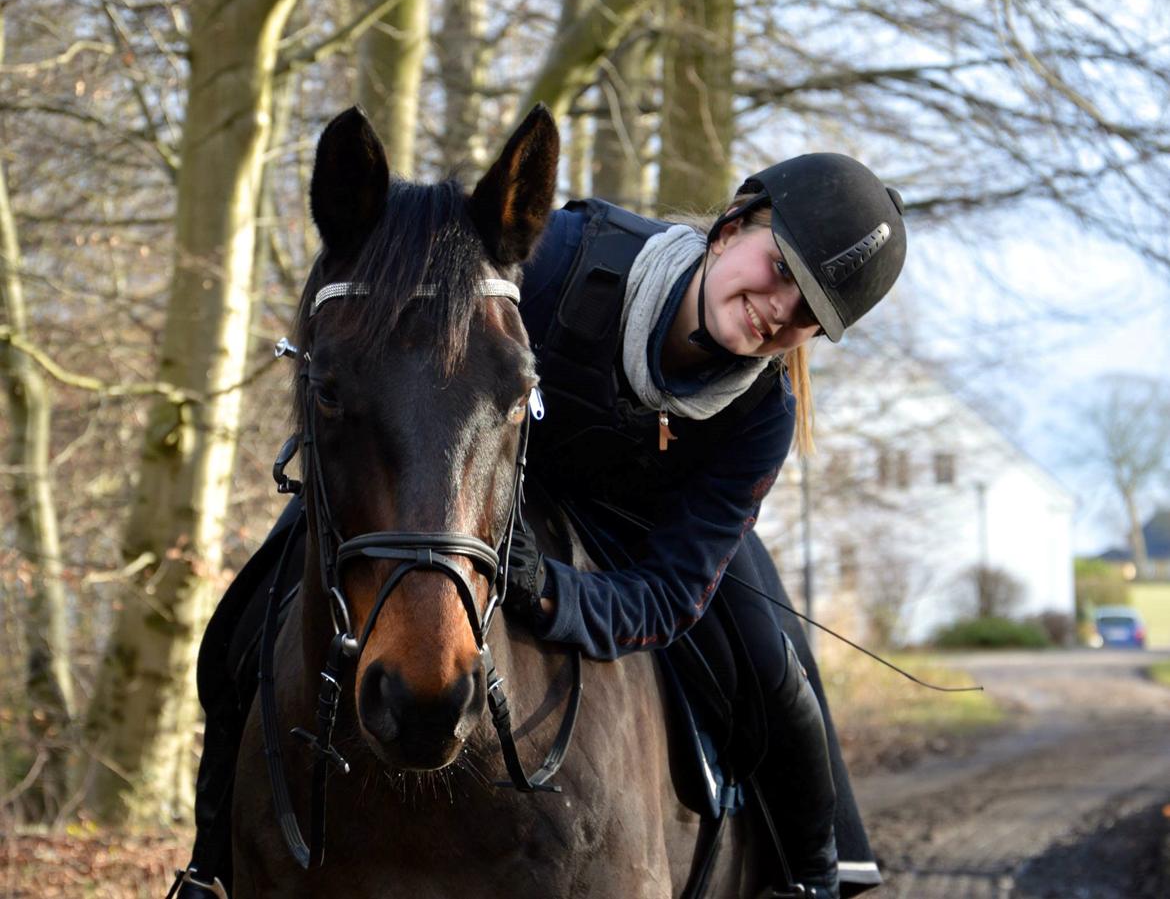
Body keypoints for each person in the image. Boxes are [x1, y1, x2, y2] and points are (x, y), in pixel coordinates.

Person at [173, 152, 905, 899]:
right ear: (732, 225)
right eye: (780, 268)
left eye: (809, 312)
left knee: (772, 664)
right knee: (246, 608)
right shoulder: (567, 251)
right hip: (477, 483)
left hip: (645, 541)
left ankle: (819, 876)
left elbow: (668, 594)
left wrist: (553, 593)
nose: (780, 308)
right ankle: (208, 865)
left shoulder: (763, 415)